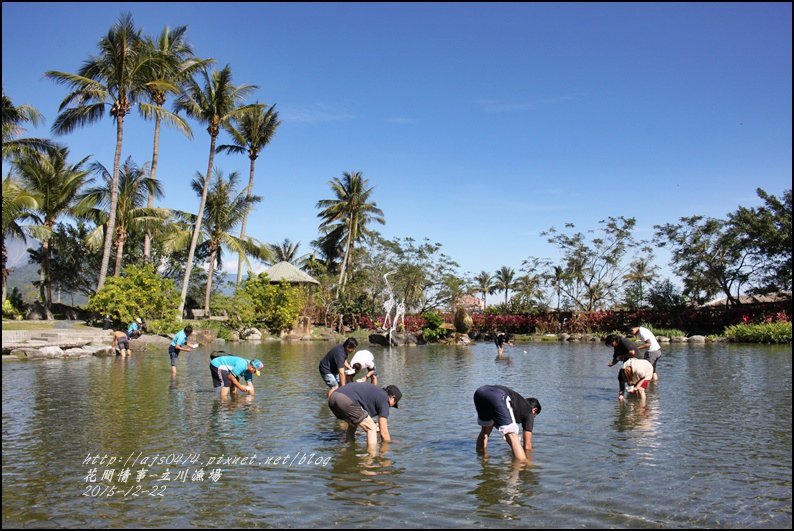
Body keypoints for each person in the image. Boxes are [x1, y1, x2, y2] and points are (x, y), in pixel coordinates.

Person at [474, 384, 541, 462]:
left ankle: (482, 459)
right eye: (534, 416)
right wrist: (528, 462)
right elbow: (527, 446)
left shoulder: (517, 404)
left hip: (479, 392)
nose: (533, 418)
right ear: (534, 410)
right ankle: (522, 466)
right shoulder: (529, 411)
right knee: (513, 436)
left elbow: (499, 425)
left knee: (485, 431)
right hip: (498, 395)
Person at [328, 382, 401, 451]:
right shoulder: (385, 399)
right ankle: (371, 458)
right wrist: (388, 444)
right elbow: (383, 432)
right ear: (393, 398)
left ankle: (349, 448)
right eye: (394, 404)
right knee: (372, 428)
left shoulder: (376, 393)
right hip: (345, 400)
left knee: (353, 424)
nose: (390, 407)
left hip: (333, 398)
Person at [605, 334, 639, 401]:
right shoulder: (616, 346)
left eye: (611, 344)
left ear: (615, 340)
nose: (611, 345)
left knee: (624, 378)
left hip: (636, 361)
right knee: (628, 380)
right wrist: (612, 363)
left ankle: (623, 395)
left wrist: (621, 357)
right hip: (627, 363)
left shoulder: (624, 342)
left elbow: (632, 353)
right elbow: (616, 357)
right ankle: (632, 398)